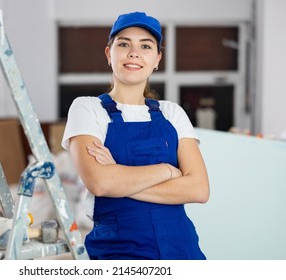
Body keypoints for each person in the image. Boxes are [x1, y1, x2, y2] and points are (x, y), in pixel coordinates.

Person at [61, 11, 210, 260]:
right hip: (119, 250)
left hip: (181, 248)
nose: (134, 53)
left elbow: (198, 189)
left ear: (157, 59)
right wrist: (167, 171)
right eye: (123, 44)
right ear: (109, 53)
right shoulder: (87, 108)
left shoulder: (172, 113)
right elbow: (100, 183)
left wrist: (119, 177)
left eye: (145, 46)